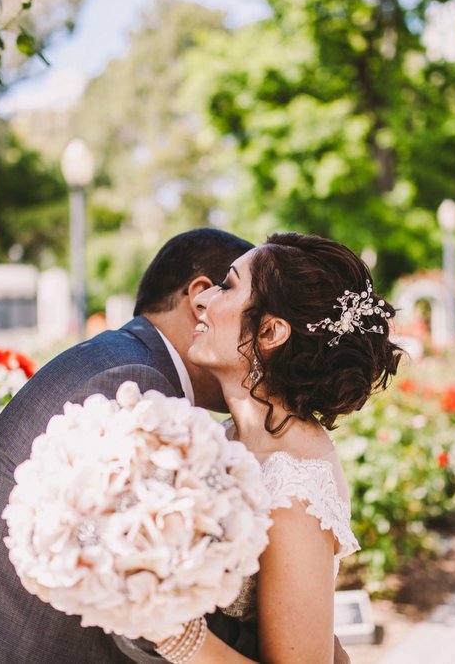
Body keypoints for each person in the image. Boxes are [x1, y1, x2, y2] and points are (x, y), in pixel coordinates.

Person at [0, 229, 259, 662]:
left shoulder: (116, 359)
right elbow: (140, 581)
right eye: (256, 320)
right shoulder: (136, 386)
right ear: (201, 299)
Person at [144, 233, 401, 663]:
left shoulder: (293, 489)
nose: (202, 299)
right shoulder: (228, 438)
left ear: (270, 331)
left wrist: (168, 632)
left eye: (227, 285)